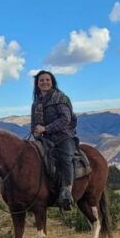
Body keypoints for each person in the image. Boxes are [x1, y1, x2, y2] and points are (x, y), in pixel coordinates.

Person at [30, 70, 78, 210]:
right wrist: (36, 133)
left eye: (47, 80)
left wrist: (46, 129)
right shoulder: (36, 103)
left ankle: (66, 191)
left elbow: (65, 119)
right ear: (37, 84)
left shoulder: (60, 98)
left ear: (52, 82)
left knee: (65, 159)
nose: (45, 82)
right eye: (41, 80)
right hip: (44, 140)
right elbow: (34, 124)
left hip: (63, 136)